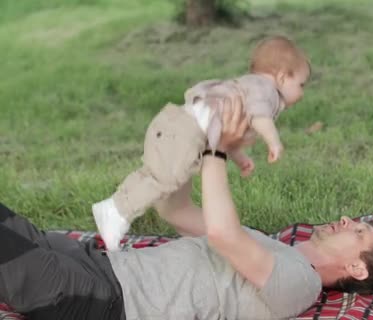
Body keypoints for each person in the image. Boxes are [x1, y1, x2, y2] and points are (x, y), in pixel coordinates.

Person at [0, 100, 373, 320]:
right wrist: (180, 154)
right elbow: (175, 211)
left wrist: (218, 148)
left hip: (100, 301)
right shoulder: (269, 245)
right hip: (99, 266)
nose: (345, 221)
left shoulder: (302, 283)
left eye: (358, 232)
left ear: (358, 269)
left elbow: (221, 234)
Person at [92, 35, 311, 251]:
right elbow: (259, 116)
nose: (302, 92)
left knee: (165, 187)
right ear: (282, 77)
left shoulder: (248, 86)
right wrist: (273, 142)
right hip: (185, 131)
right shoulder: (265, 88)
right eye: (301, 84)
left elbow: (225, 131)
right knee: (163, 179)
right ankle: (116, 210)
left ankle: (198, 242)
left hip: (178, 127)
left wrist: (240, 158)